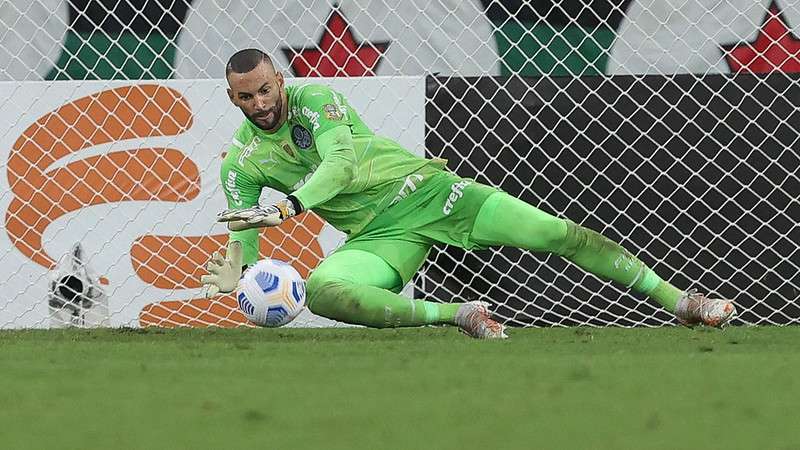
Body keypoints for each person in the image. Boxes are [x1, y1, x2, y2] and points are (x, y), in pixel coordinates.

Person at [200, 48, 735, 338]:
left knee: (552, 232)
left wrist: (290, 205)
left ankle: (682, 302)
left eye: (267, 89)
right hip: (380, 236)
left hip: (430, 191)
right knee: (323, 292)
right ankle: (457, 314)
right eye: (247, 96)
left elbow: (339, 165)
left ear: (280, 82)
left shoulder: (316, 98)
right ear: (232, 97)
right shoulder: (242, 161)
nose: (260, 102)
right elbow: (244, 226)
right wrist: (242, 270)